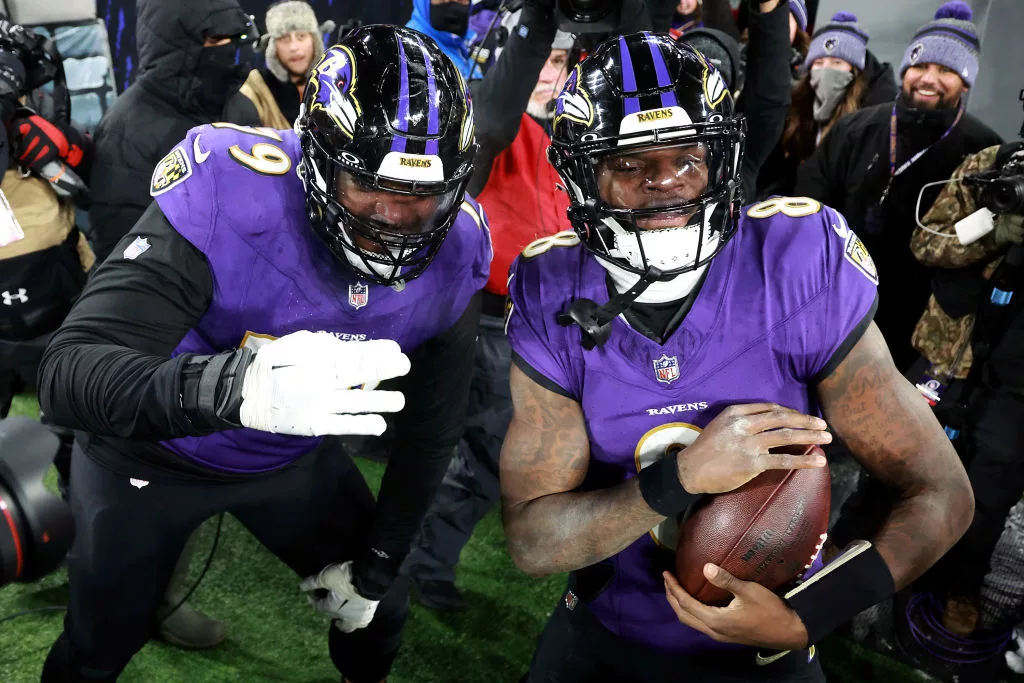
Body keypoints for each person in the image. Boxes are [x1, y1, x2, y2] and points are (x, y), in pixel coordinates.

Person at [501, 32, 973, 682]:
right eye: (631, 163)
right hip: (608, 633)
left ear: (720, 160)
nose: (663, 183)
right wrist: (681, 478)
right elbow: (530, 539)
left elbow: (943, 491)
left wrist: (808, 614)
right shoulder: (554, 288)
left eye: (686, 158)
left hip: (764, 652)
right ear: (585, 177)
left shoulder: (795, 263)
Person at [37, 25, 490, 683]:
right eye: (369, 186)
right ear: (318, 159)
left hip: (287, 456)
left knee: (380, 606)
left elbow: (432, 429)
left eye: (420, 196)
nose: (393, 217)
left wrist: (379, 562)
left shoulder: (458, 246)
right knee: (101, 636)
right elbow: (69, 370)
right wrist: (238, 387)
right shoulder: (230, 186)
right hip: (153, 454)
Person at [795, 1, 1001, 372]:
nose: (928, 78)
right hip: (838, 299)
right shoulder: (856, 129)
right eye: (920, 65)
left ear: (965, 81)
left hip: (916, 317)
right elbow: (811, 200)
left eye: (946, 70)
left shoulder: (983, 149)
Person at [908, 141, 1024, 637]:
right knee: (900, 462)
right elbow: (926, 241)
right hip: (947, 353)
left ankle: (960, 587)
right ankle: (861, 555)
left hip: (1016, 384)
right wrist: (994, 233)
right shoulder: (992, 164)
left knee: (990, 491)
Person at [87, 0, 261, 264]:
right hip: (174, 291)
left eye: (230, 38)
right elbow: (123, 249)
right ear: (175, 43)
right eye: (213, 39)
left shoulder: (240, 107)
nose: (226, 49)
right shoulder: (125, 129)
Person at [757, 11, 897, 198]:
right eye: (819, 62)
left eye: (837, 62)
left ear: (854, 71)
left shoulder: (867, 119)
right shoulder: (798, 108)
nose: (825, 70)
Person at [241, 0, 336, 129]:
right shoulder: (256, 87)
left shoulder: (337, 84)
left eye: (301, 36)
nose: (293, 47)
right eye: (284, 38)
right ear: (273, 47)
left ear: (315, 40)